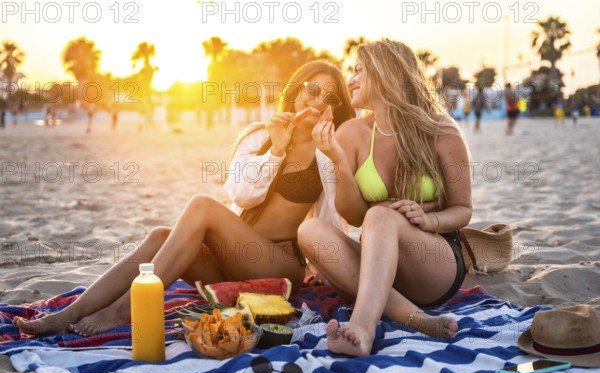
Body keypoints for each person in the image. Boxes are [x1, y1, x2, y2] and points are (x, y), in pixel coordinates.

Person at [14, 61, 355, 337]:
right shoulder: (259, 137)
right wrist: (277, 151)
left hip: (279, 263)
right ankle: (70, 314)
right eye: (312, 89)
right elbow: (241, 195)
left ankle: (122, 311)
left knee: (202, 205)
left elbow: (342, 213)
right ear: (296, 91)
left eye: (331, 97)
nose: (318, 100)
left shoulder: (329, 149)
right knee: (160, 236)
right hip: (230, 258)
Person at [298, 39, 472, 357]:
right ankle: (415, 318)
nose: (349, 79)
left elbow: (463, 209)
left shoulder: (440, 130)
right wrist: (338, 161)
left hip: (432, 263)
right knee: (309, 231)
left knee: (379, 215)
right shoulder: (351, 132)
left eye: (358, 70)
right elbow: (353, 216)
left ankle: (363, 328)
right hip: (378, 269)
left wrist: (429, 218)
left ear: (384, 73)